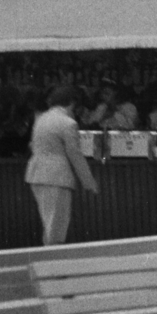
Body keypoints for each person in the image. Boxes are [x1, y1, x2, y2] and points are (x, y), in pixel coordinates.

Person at [25, 83, 99, 245]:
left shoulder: (41, 118)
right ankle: (51, 264)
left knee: (49, 224)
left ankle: (49, 261)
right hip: (56, 178)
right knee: (56, 228)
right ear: (72, 103)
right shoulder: (68, 123)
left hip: (36, 175)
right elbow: (75, 155)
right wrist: (89, 182)